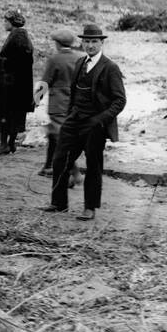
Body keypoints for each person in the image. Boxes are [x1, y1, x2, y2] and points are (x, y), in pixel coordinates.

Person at [42, 24, 126, 221]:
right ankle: (59, 203)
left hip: (95, 124)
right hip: (74, 120)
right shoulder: (80, 62)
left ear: (101, 43)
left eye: (94, 41)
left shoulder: (110, 68)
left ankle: (90, 208)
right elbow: (74, 91)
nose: (90, 45)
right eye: (86, 41)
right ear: (82, 42)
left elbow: (120, 100)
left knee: (93, 165)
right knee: (60, 159)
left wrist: (100, 119)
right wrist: (71, 113)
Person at [33, 29, 85, 179]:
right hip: (74, 103)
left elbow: (45, 81)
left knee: (59, 136)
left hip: (58, 103)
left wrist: (36, 100)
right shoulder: (79, 58)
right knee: (54, 134)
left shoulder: (55, 59)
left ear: (57, 43)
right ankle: (48, 166)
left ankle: (72, 171)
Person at [0, 9, 35, 155]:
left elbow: (12, 63)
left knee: (4, 113)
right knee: (15, 114)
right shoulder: (22, 37)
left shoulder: (17, 38)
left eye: (6, 21)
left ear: (12, 23)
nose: (4, 23)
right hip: (20, 85)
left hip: (10, 85)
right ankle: (10, 144)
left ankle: (3, 145)